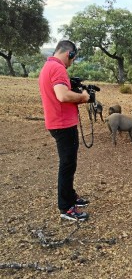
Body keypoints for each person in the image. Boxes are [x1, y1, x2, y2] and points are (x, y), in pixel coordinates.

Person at [39, 40, 90, 221]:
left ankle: (70, 195)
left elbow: (59, 94)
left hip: (58, 122)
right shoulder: (58, 68)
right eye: (73, 59)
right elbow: (62, 95)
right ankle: (66, 207)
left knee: (69, 163)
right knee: (67, 165)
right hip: (62, 124)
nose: (71, 63)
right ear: (69, 53)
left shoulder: (48, 66)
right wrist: (83, 97)